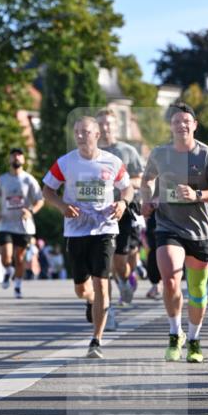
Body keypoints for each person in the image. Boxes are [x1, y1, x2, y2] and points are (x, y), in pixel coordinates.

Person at [140, 102, 208, 363]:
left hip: (200, 231)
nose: (181, 125)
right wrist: (147, 199)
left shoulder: (207, 155)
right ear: (171, 126)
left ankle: (194, 338)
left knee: (197, 290)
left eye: (186, 121)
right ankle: (173, 332)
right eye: (176, 121)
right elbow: (147, 179)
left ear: (194, 125)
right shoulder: (159, 154)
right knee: (169, 279)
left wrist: (198, 194)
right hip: (168, 227)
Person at [42, 116, 133, 358]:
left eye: (85, 131)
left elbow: (127, 187)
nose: (80, 135)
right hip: (76, 230)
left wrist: (123, 203)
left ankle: (96, 340)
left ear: (97, 135)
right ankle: (90, 300)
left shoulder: (112, 162)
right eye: (77, 131)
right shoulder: (65, 162)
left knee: (102, 281)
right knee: (82, 289)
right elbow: (47, 190)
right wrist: (62, 206)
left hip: (104, 228)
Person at [96, 107, 145, 305]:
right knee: (107, 260)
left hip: (125, 209)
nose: (105, 127)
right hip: (100, 211)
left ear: (116, 126)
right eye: (101, 124)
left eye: (108, 123)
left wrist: (121, 183)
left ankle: (126, 279)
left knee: (120, 259)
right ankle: (123, 282)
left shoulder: (127, 151)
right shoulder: (93, 153)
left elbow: (140, 179)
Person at [0, 148, 43, 298]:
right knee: (6, 256)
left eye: (19, 156)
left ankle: (18, 285)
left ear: (24, 160)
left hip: (24, 226)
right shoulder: (2, 180)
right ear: (10, 160)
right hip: (5, 224)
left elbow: (40, 200)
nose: (16, 158)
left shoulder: (29, 180)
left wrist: (31, 211)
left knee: (19, 259)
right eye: (13, 156)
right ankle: (8, 270)